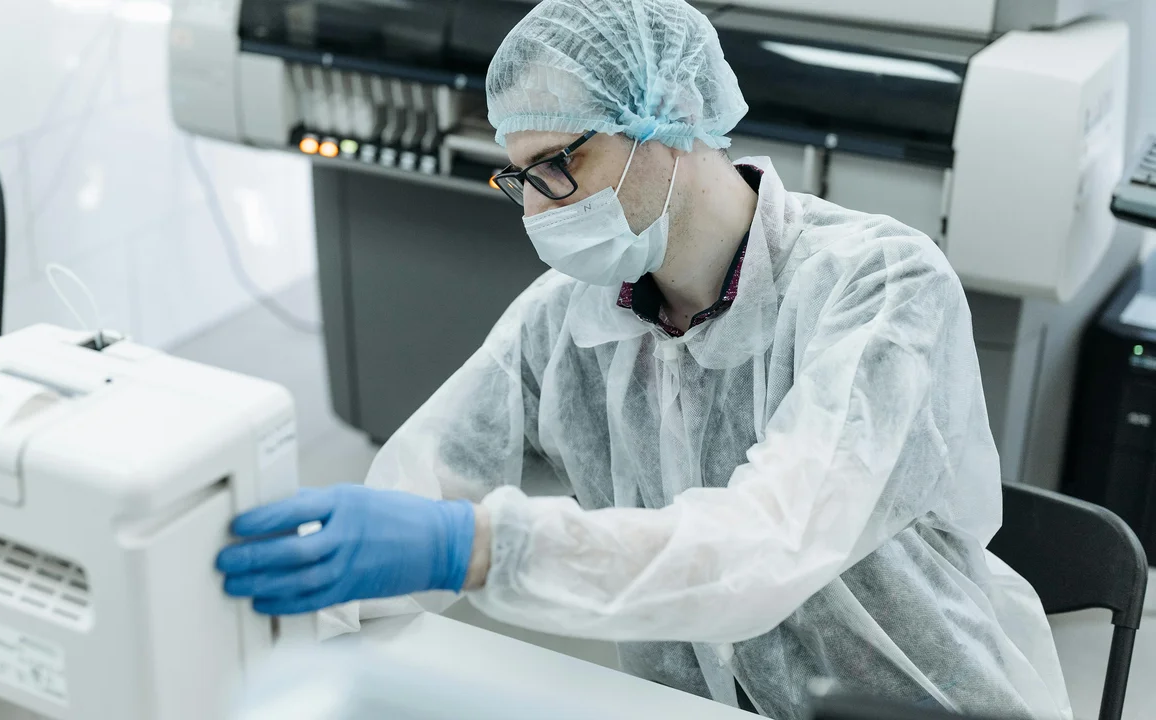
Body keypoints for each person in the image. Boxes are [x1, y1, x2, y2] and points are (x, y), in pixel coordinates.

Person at [215, 1, 1073, 717]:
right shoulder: (568, 319)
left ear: (668, 119)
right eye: (521, 178)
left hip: (917, 703)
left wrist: (476, 549)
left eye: (563, 164)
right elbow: (424, 477)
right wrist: (301, 633)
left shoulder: (880, 286)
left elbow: (765, 547)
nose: (542, 208)